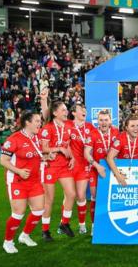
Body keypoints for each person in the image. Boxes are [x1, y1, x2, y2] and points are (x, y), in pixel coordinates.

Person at [0, 112, 46, 253]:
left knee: (39, 210)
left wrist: (47, 156)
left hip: (34, 181)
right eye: (37, 121)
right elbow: (3, 160)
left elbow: (38, 154)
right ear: (27, 122)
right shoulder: (14, 139)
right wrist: (18, 171)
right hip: (17, 181)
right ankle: (8, 242)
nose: (40, 123)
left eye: (40, 121)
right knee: (18, 213)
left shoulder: (37, 137)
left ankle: (24, 236)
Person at [40, 101, 76, 241]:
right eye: (63, 110)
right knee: (49, 200)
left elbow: (68, 145)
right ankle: (45, 231)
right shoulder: (47, 128)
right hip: (50, 166)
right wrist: (59, 149)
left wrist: (72, 157)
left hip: (64, 166)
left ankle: (64, 223)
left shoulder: (68, 126)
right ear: (55, 113)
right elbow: (43, 148)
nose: (66, 112)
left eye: (66, 109)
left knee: (71, 194)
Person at [84, 109, 119, 234]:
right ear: (97, 121)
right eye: (101, 120)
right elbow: (86, 153)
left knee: (114, 196)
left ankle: (110, 223)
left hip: (113, 168)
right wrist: (97, 166)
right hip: (96, 169)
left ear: (110, 121)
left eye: (106, 120)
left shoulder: (116, 131)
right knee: (95, 196)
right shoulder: (92, 134)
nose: (103, 123)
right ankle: (94, 225)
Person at [68, 104, 96, 234]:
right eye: (81, 109)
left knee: (80, 195)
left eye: (85, 109)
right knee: (69, 196)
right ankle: (64, 224)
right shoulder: (67, 125)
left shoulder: (90, 127)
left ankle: (82, 225)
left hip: (84, 165)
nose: (84, 110)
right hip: (70, 165)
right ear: (73, 113)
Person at [106, 114, 138, 186]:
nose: (136, 128)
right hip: (122, 169)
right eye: (132, 126)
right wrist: (118, 176)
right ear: (127, 128)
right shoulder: (120, 138)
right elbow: (109, 158)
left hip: (137, 170)